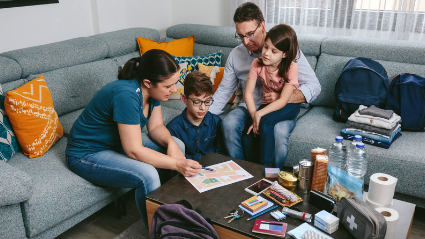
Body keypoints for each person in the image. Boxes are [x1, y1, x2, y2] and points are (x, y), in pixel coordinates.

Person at [65, 50, 202, 227]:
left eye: (174, 84)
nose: (174, 90)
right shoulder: (126, 94)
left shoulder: (153, 93)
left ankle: (179, 209)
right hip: (86, 153)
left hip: (116, 143)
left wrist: (170, 144)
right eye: (168, 86)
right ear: (148, 83)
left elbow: (156, 127)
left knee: (177, 144)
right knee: (148, 175)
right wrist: (176, 164)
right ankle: (159, 232)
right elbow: (134, 150)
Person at [208, 2, 321, 168]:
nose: (246, 41)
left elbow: (314, 86)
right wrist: (203, 115)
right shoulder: (237, 55)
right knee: (229, 124)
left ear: (262, 26)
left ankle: (272, 179)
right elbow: (225, 90)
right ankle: (242, 174)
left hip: (280, 106)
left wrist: (284, 97)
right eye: (240, 35)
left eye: (250, 34)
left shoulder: (285, 49)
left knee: (279, 133)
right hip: (249, 106)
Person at [245, 24, 301, 167]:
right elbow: (248, 93)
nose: (266, 53)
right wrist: (254, 115)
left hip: (289, 105)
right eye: (265, 47)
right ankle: (253, 170)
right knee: (249, 133)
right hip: (268, 103)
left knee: (266, 122)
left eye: (274, 51)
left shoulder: (291, 67)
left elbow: (283, 101)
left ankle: (267, 171)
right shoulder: (256, 64)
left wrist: (260, 115)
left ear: (285, 54)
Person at [166, 71, 224, 161]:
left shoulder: (216, 122)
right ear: (185, 99)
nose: (203, 108)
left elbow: (220, 154)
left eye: (207, 101)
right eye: (197, 102)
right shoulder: (173, 128)